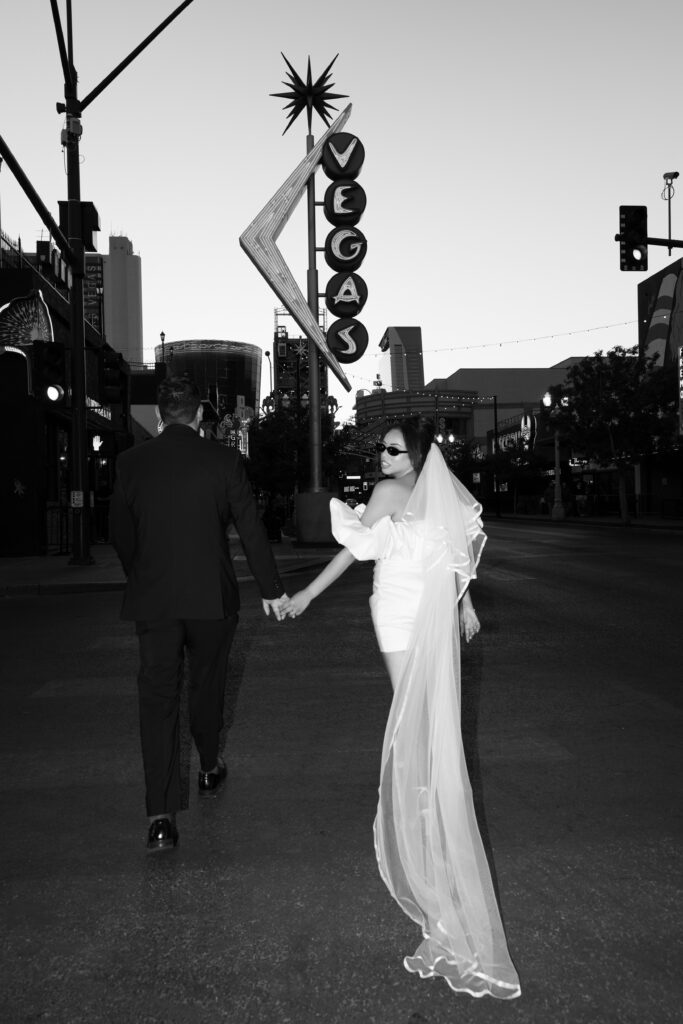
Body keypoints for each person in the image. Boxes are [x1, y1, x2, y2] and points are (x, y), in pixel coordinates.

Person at [283, 416, 521, 999]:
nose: (382, 457)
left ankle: (424, 806)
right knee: (426, 713)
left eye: (392, 450)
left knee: (414, 717)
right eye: (380, 450)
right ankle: (430, 805)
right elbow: (453, 554)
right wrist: (463, 603)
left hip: (402, 611)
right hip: (427, 612)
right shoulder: (434, 494)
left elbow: (354, 551)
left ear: (415, 454)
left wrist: (309, 595)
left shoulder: (394, 493)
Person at [110, 376, 288, 853]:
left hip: (155, 602)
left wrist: (141, 574)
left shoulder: (130, 464)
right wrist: (271, 589)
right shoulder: (225, 460)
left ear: (158, 416)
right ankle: (208, 767)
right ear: (200, 416)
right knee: (207, 686)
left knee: (157, 701)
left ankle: (160, 818)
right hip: (212, 600)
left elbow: (120, 534)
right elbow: (251, 527)